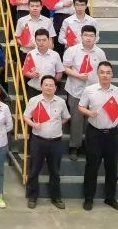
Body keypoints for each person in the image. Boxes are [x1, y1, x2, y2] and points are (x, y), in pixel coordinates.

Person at [79, 61, 118, 211]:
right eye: (102, 72)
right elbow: (81, 106)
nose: (105, 75)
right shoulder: (89, 90)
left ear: (112, 75)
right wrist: (89, 113)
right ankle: (88, 199)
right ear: (97, 74)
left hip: (112, 134)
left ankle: (110, 198)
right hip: (94, 133)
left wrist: (114, 111)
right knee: (91, 167)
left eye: (108, 72)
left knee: (112, 167)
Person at [23, 75, 70, 209]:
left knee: (55, 171)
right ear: (41, 86)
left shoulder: (61, 102)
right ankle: (32, 196)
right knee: (34, 170)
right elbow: (26, 116)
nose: (49, 87)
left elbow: (66, 117)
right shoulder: (34, 100)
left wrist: (56, 125)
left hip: (55, 142)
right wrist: (33, 124)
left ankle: (56, 197)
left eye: (51, 85)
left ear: (55, 88)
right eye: (46, 85)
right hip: (38, 140)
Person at [64, 24, 108, 160]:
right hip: (75, 90)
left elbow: (104, 70)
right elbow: (66, 68)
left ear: (95, 37)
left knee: (92, 120)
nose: (88, 38)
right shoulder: (72, 50)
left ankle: (90, 146)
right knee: (76, 120)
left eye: (91, 36)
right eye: (86, 35)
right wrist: (77, 75)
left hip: (94, 92)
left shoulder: (100, 53)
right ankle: (74, 147)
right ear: (81, 36)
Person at [23, 28, 64, 100]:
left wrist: (52, 82)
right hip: (34, 90)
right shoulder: (30, 54)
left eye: (44, 40)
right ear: (35, 41)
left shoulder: (55, 55)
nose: (41, 42)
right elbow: (25, 71)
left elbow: (59, 72)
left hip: (50, 91)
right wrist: (31, 75)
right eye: (38, 40)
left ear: (48, 40)